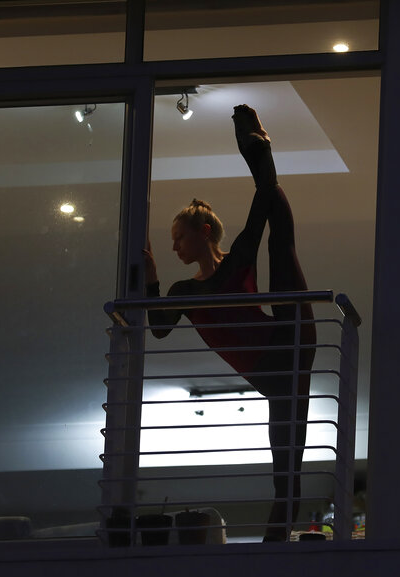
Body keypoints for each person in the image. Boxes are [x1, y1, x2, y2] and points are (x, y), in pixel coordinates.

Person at [143, 104, 316, 542]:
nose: (176, 247)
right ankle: (273, 557)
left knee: (280, 237)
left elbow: (261, 209)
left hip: (288, 339)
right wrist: (150, 279)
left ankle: (257, 150)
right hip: (275, 375)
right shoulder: (184, 292)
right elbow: (159, 327)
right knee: (286, 475)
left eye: (179, 237)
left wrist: (262, 172)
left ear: (204, 231)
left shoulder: (233, 262)